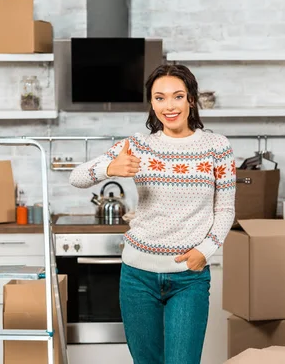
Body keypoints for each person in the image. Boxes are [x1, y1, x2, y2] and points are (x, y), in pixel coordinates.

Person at [69, 64, 236, 364]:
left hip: (189, 279)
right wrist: (109, 168)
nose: (168, 106)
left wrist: (206, 249)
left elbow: (224, 209)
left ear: (191, 100)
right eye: (159, 98)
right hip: (137, 277)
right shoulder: (137, 145)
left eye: (177, 96)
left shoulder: (217, 147)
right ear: (151, 102)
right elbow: (77, 176)